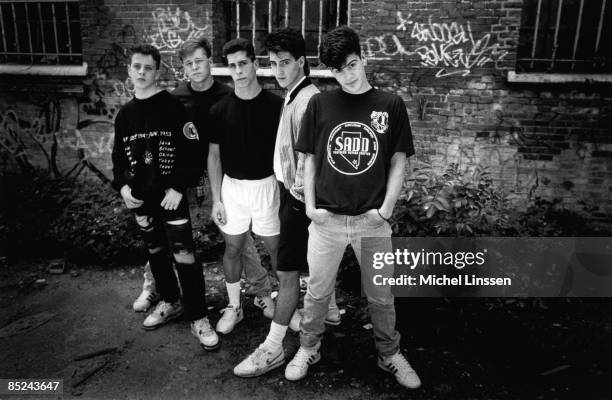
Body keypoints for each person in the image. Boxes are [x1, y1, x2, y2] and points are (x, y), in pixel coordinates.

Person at [284, 26, 422, 389]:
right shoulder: (320, 104)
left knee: (381, 295)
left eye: (352, 64)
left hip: (372, 221)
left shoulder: (389, 105)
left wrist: (387, 209)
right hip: (327, 221)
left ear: (363, 58)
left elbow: (397, 160)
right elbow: (309, 161)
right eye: (338, 69)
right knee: (316, 292)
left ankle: (388, 354)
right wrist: (311, 207)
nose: (347, 74)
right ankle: (309, 347)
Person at [132, 37, 275, 320]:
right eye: (188, 63)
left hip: (216, 179)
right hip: (179, 180)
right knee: (165, 236)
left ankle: (261, 293)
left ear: (210, 61)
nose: (195, 67)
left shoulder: (226, 96)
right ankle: (154, 286)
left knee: (239, 240)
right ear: (183, 67)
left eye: (199, 61)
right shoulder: (174, 98)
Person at [233, 28, 343, 378]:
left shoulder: (308, 100)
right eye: (273, 63)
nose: (278, 70)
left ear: (301, 62)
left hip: (298, 200)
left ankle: (274, 346)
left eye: (285, 63)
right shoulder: (293, 96)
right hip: (292, 196)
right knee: (305, 267)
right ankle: (329, 310)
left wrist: (300, 203)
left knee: (287, 273)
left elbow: (314, 161)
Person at [112, 44, 218, 350]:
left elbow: (194, 151)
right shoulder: (124, 115)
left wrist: (178, 187)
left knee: (185, 256)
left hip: (171, 198)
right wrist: (122, 189)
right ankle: (171, 301)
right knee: (156, 253)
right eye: (137, 67)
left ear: (157, 71)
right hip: (142, 201)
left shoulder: (172, 107)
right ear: (129, 70)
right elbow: (118, 161)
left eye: (148, 67)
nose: (142, 73)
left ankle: (199, 317)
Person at [208, 38, 283, 335]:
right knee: (233, 247)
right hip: (233, 188)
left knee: (278, 250)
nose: (238, 71)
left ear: (255, 63)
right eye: (232, 66)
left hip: (267, 185)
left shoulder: (277, 106)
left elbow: (287, 154)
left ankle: (287, 307)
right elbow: (213, 156)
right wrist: (217, 199)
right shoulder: (219, 109)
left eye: (242, 63)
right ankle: (234, 306)